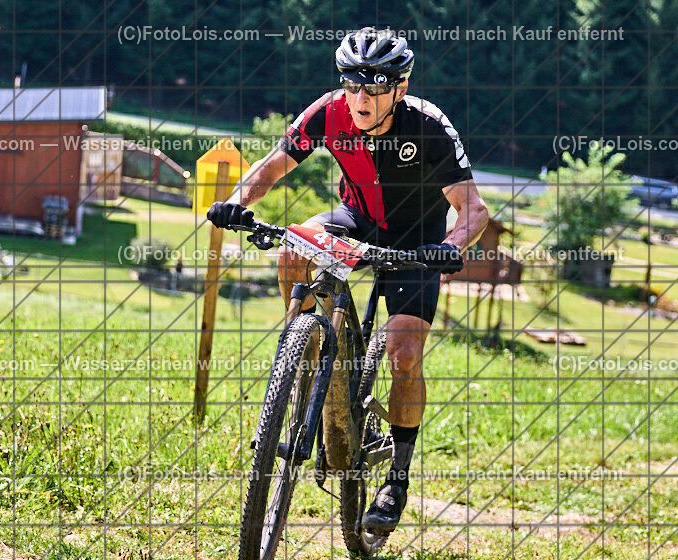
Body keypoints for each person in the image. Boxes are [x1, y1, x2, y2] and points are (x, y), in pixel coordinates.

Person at [208, 27, 489, 534]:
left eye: (375, 87)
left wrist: (451, 247)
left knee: (404, 354)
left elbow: (473, 210)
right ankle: (303, 349)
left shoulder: (428, 126)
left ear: (400, 88)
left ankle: (397, 478)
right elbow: (271, 168)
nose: (361, 98)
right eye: (353, 84)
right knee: (293, 246)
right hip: (355, 220)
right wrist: (237, 202)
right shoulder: (329, 112)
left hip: (418, 242)